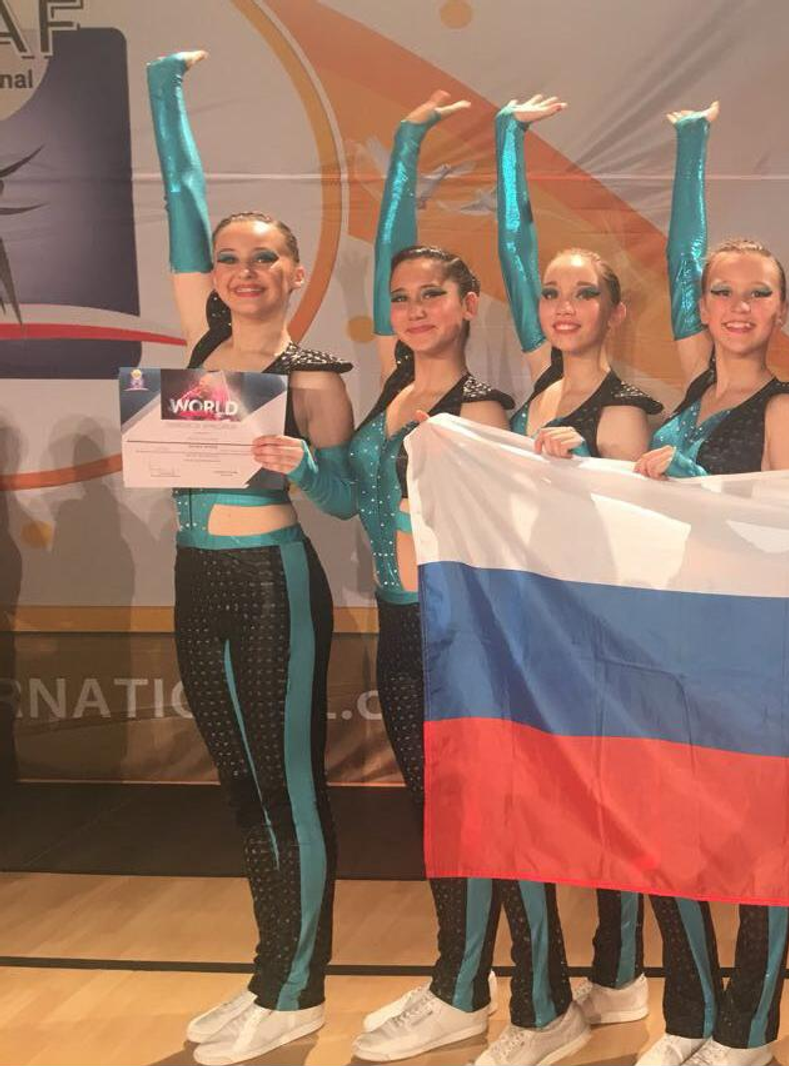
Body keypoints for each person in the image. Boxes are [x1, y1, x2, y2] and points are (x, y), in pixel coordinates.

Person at [271, 92, 514, 1064]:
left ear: (469, 306)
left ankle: (464, 987)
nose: (413, 308)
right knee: (432, 810)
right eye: (403, 296)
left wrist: (409, 143)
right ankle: (460, 974)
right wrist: (299, 461)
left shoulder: (480, 407)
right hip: (399, 626)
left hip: (457, 632)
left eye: (433, 294)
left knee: (462, 813)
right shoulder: (390, 394)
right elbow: (345, 500)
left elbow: (479, 535)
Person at [148, 48, 354, 1066]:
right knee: (240, 786)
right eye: (230, 257)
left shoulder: (308, 370)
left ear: (294, 273)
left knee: (287, 787)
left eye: (265, 258)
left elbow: (350, 496)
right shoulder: (201, 346)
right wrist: (166, 93)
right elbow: (183, 205)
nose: (243, 270)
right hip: (197, 577)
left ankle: (299, 990)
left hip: (273, 583)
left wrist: (304, 461)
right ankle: (270, 968)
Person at [626, 102, 789, 1066]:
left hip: (759, 649)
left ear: (780, 312)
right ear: (700, 307)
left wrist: (696, 478)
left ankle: (746, 1031)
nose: (738, 306)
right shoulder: (690, 398)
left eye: (758, 294)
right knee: (674, 835)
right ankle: (689, 1016)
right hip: (680, 641)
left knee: (755, 846)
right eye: (721, 291)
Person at [472, 92, 663, 1066]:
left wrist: (580, 465)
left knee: (584, 812)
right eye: (552, 292)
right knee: (561, 809)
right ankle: (614, 975)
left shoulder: (623, 407)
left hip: (592, 636)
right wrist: (508, 142)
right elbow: (513, 251)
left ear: (613, 311)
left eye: (583, 293)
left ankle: (568, 996)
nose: (561, 305)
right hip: (537, 625)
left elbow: (627, 533)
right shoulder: (541, 387)